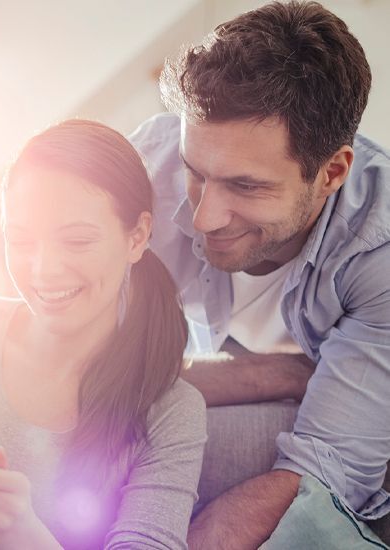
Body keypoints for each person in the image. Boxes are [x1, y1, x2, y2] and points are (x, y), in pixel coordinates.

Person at [129, 1, 390, 548]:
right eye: (197, 174)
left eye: (247, 186)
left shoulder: (381, 249)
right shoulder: (151, 164)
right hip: (237, 382)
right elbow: (88, 367)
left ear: (332, 172)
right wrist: (281, 374)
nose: (203, 219)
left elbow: (328, 470)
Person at [0, 119, 207, 549]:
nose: (43, 270)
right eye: (20, 240)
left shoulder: (170, 411)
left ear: (137, 236)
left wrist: (20, 534)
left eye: (76, 241)